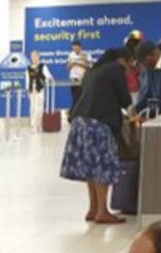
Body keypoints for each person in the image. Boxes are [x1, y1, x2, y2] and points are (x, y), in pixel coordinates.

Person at [61, 47, 134, 224]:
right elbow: (126, 99)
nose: (130, 67)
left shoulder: (93, 71)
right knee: (103, 167)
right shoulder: (116, 69)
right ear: (121, 59)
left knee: (91, 168)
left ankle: (93, 208)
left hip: (80, 122)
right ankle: (103, 211)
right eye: (130, 63)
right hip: (98, 123)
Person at [26, 51, 51, 131]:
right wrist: (27, 88)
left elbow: (49, 77)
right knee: (32, 108)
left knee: (39, 108)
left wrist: (43, 83)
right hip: (31, 90)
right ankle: (33, 125)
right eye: (32, 57)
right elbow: (27, 79)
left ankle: (38, 125)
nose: (34, 58)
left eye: (35, 56)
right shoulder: (29, 68)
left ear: (38, 57)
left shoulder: (43, 66)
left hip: (39, 90)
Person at [66, 40, 92, 108]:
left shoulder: (86, 55)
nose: (75, 50)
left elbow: (89, 66)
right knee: (75, 97)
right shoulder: (71, 55)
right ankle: (75, 113)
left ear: (80, 47)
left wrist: (78, 63)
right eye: (74, 49)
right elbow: (67, 67)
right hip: (74, 79)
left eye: (77, 49)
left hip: (83, 79)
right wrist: (72, 64)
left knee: (83, 97)